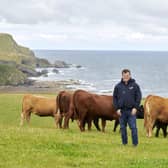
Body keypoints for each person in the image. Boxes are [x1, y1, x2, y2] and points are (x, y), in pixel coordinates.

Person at [113, 69, 142, 146]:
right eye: (124, 75)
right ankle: (124, 143)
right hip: (122, 111)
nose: (126, 77)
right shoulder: (118, 86)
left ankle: (135, 144)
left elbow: (138, 97)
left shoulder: (135, 85)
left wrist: (135, 108)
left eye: (127, 75)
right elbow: (114, 98)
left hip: (131, 111)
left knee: (133, 128)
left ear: (130, 75)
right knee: (122, 128)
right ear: (122, 76)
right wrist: (117, 109)